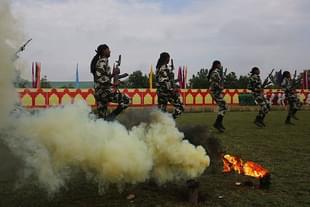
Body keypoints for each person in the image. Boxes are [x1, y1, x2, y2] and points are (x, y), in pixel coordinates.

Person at [90, 44, 130, 121]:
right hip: (103, 92)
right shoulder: (102, 62)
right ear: (104, 51)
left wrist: (113, 75)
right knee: (127, 100)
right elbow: (100, 78)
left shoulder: (103, 62)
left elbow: (103, 77)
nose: (110, 51)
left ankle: (101, 125)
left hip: (101, 93)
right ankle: (110, 118)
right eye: (108, 50)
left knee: (102, 119)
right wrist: (113, 83)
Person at [155, 52, 184, 119]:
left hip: (162, 92)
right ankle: (169, 120)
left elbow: (166, 80)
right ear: (166, 59)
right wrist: (173, 90)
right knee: (180, 107)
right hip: (166, 93)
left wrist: (175, 80)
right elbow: (165, 82)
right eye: (168, 58)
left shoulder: (160, 68)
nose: (169, 59)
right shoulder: (163, 68)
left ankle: (165, 124)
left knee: (161, 113)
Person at [208, 60, 227, 132]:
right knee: (224, 106)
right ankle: (217, 123)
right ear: (217, 65)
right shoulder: (215, 72)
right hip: (215, 92)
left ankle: (218, 123)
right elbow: (214, 82)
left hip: (217, 92)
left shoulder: (217, 72)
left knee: (223, 107)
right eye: (219, 64)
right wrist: (220, 87)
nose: (220, 66)